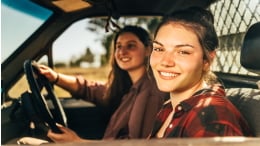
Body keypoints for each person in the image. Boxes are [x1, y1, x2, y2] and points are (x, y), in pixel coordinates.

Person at [37, 25, 166, 142]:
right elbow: (95, 91)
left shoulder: (150, 91)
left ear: (149, 49)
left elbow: (136, 143)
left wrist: (77, 143)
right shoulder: (131, 87)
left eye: (131, 45)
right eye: (118, 46)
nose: (122, 52)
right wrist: (55, 77)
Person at [148, 7, 252, 138]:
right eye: (158, 49)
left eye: (183, 52)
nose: (165, 62)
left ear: (206, 61)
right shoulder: (169, 108)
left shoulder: (210, 116)